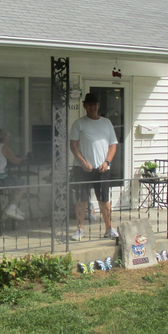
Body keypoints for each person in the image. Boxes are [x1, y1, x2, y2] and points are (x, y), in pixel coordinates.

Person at [69, 92, 118, 240]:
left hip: (102, 169)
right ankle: (80, 229)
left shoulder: (106, 123)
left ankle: (109, 228)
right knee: (81, 199)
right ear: (84, 105)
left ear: (98, 105)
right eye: (89, 104)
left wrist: (107, 162)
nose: (92, 107)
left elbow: (113, 145)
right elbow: (73, 145)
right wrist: (83, 163)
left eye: (95, 104)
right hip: (82, 168)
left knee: (104, 200)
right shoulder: (79, 123)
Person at [0, 128, 27, 220]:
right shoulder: (3, 147)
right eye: (7, 138)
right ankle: (12, 207)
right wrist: (24, 158)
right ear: (3, 138)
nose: (8, 140)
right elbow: (16, 161)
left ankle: (13, 206)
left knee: (14, 184)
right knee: (22, 184)